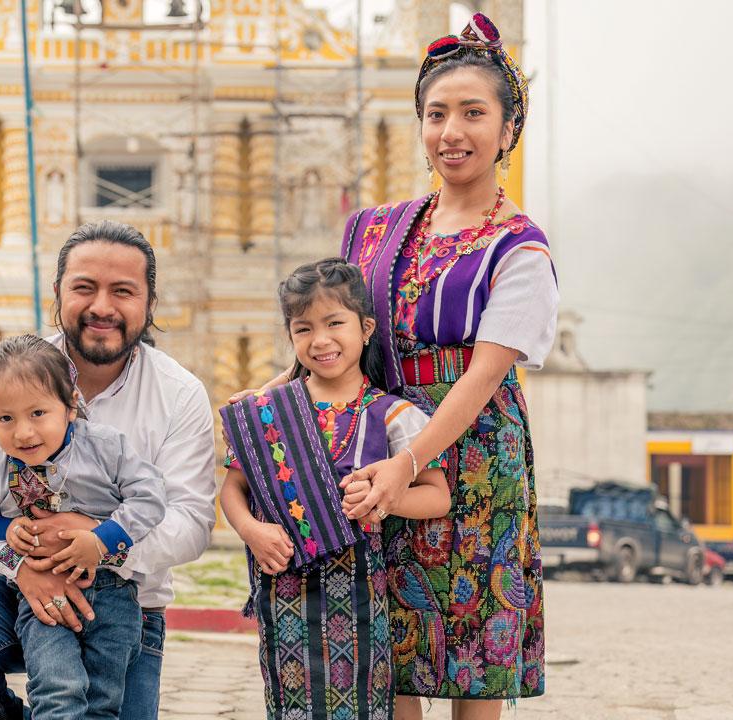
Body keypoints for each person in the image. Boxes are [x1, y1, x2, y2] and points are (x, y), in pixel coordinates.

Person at [232, 13, 554, 720]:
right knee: (388, 648)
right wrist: (281, 396)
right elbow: (337, 332)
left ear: (507, 129)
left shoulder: (520, 248)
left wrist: (409, 465)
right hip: (367, 446)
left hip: (470, 462)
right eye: (436, 114)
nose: (452, 132)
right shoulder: (371, 228)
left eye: (474, 113)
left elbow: (484, 375)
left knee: (472, 659)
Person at [0, 220, 216, 720]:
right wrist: (23, 564)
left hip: (126, 601)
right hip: (18, 590)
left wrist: (97, 540)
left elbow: (191, 523)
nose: (102, 307)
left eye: (123, 291)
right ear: (58, 293)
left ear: (149, 303)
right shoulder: (4, 382)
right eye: (84, 288)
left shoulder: (179, 394)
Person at [220, 259, 449, 720]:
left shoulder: (392, 414)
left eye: (334, 323)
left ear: (365, 328)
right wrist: (251, 531)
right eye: (303, 329)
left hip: (363, 592)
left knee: (363, 702)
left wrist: (386, 498)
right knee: (289, 703)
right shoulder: (268, 411)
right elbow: (232, 488)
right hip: (283, 587)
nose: (320, 340)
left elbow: (438, 495)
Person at [0, 334, 166, 719]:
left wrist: (101, 540)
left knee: (102, 701)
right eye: (5, 419)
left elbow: (150, 498)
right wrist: (6, 529)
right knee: (57, 693)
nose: (23, 433)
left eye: (38, 414)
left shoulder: (106, 448)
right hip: (41, 600)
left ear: (70, 405)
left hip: (113, 595)